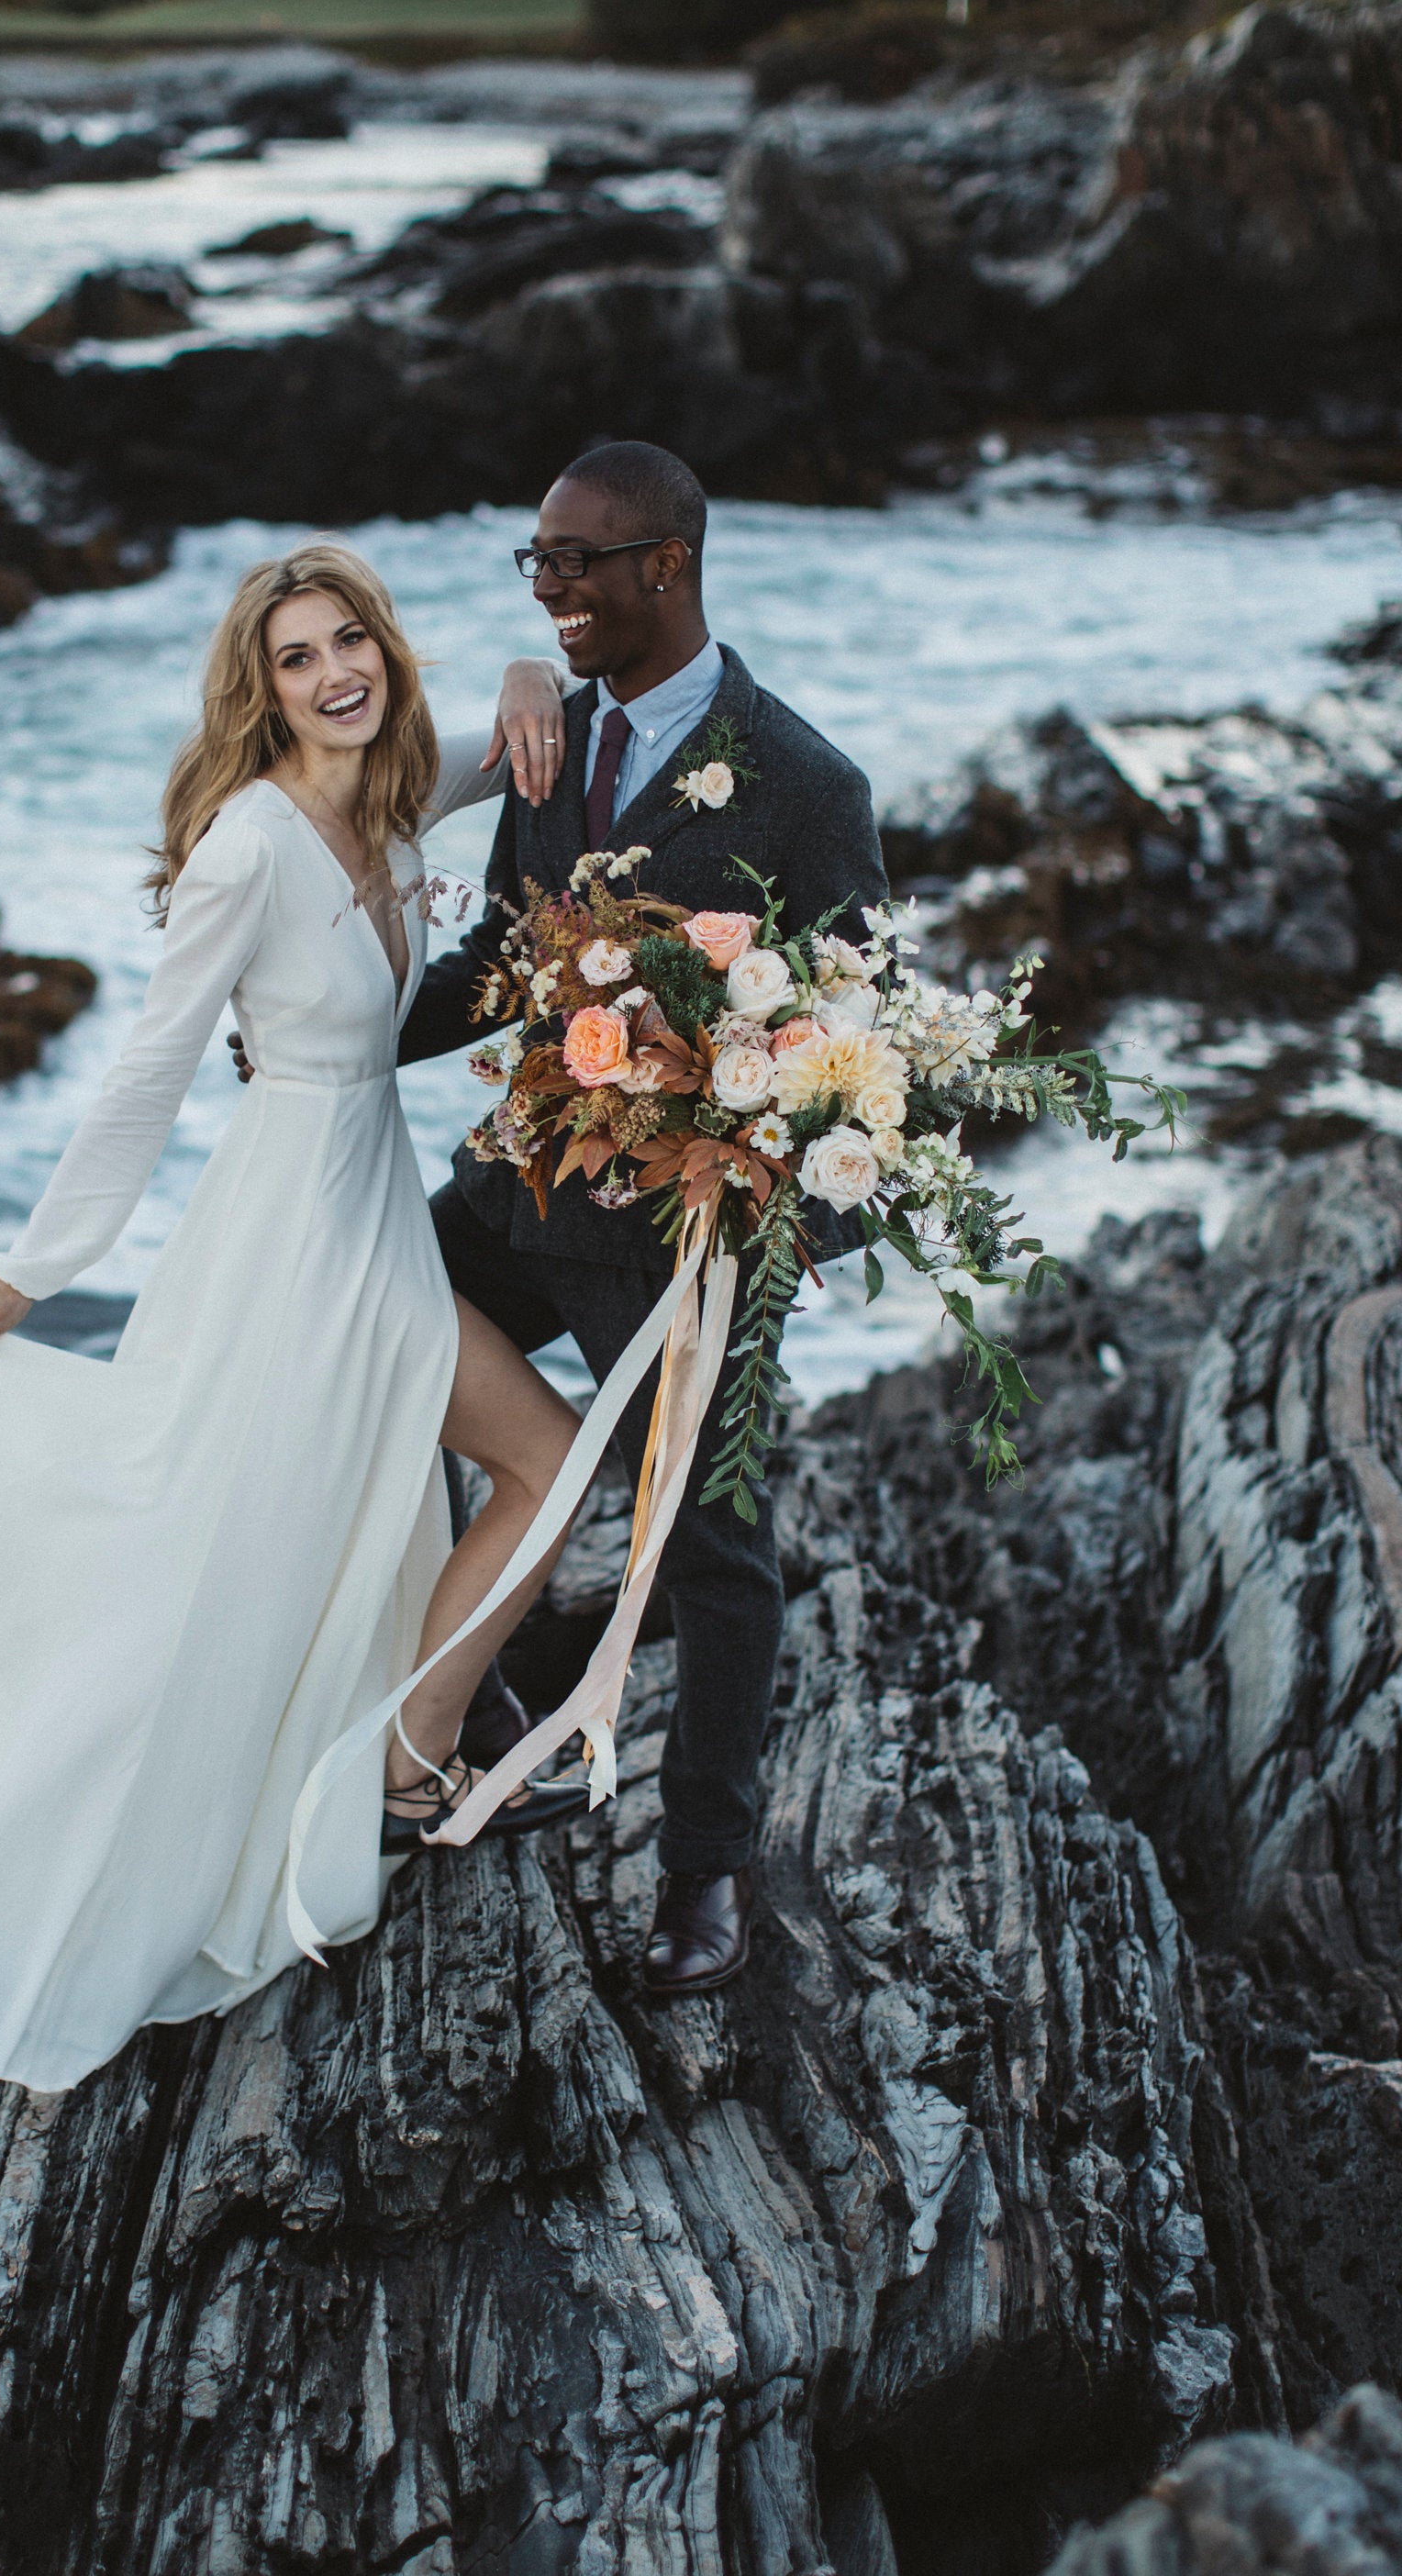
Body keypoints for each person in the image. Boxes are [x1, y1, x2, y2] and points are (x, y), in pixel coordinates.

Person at [0, 542, 593, 2093]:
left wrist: (527, 675)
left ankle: (395, 1764)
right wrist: (37, 1267)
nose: (331, 675)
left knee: (319, 1527)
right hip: (300, 1235)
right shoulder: (249, 842)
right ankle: (397, 1775)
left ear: (381, 647)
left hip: (362, 1204)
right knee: (505, 1472)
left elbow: (521, 733)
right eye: (295, 660)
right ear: (261, 689)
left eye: (347, 640)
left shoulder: (378, 794)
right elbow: (151, 1065)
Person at [398, 440, 888, 1999]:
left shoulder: (807, 786)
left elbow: (869, 1059)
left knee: (719, 1550)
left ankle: (707, 1878)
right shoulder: (555, 735)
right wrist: (335, 1029)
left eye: (574, 563)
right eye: (531, 565)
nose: (548, 591)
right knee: (351, 1345)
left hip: (675, 1247)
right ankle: (457, 1696)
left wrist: (777, 1236)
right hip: (512, 1193)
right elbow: (501, 955)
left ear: (664, 564)